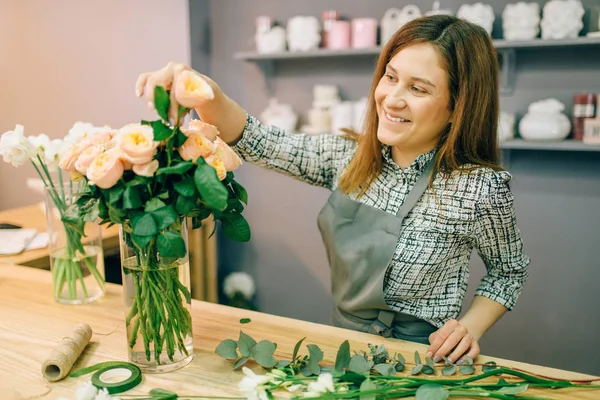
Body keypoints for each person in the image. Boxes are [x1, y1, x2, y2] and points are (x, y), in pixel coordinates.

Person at [135, 15, 530, 365]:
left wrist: (470, 327)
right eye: (390, 77)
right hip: (343, 351)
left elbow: (508, 271)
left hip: (422, 362)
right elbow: (256, 139)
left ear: (457, 106)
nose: (391, 98)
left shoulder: (479, 187)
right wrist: (207, 93)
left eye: (419, 89)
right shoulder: (348, 158)